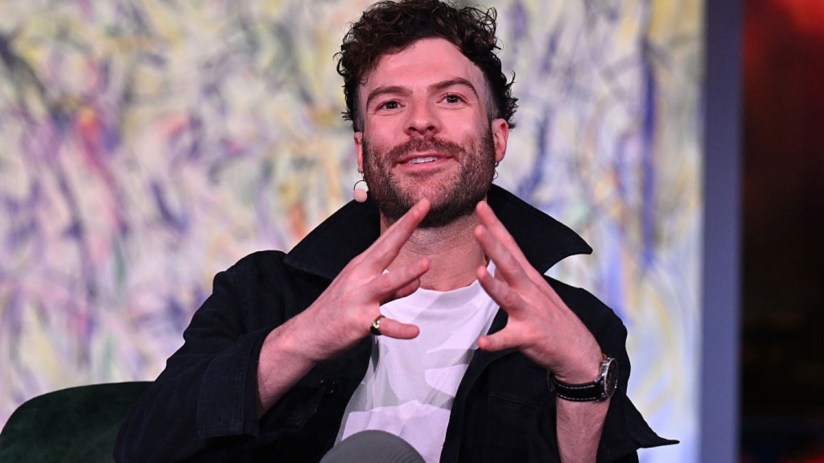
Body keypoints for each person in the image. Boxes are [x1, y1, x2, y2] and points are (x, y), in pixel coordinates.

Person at [115, 0, 675, 461]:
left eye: (451, 98)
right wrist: (304, 337)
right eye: (390, 104)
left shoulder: (578, 325)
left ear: (497, 138)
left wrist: (582, 383)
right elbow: (144, 447)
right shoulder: (262, 295)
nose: (420, 122)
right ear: (362, 150)